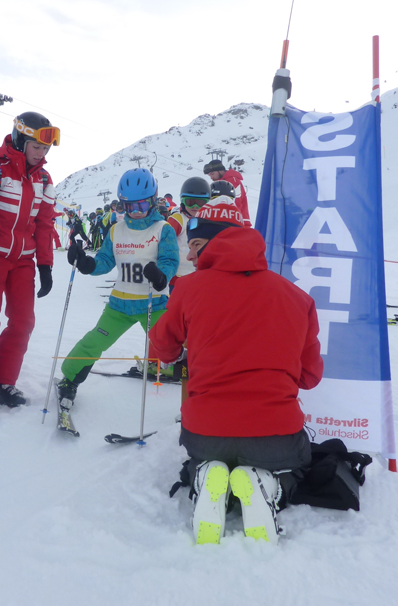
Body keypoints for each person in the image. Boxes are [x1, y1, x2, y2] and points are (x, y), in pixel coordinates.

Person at [149, 197, 324, 545]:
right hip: (275, 436)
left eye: (196, 244)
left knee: (207, 455)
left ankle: (204, 476)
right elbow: (310, 377)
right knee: (301, 460)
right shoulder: (297, 297)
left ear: (218, 241)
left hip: (205, 434)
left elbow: (161, 349)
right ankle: (270, 484)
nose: (189, 256)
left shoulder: (188, 288)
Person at [56, 168, 179, 432]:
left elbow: (170, 260)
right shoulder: (116, 230)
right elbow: (105, 261)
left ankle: (201, 392)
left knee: (174, 347)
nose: (136, 211)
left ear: (154, 200)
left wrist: (162, 277)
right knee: (93, 342)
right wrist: (87, 264)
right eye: (129, 206)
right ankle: (68, 380)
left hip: (154, 304)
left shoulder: (164, 229)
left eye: (142, 205)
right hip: (120, 306)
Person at [0, 111, 59, 409]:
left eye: (45, 148)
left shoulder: (44, 180)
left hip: (23, 263)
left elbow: (44, 225)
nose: (41, 154)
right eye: (36, 147)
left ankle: (6, 380)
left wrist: (45, 265)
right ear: (20, 140)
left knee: (23, 321)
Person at [166, 177, 211, 291]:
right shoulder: (178, 219)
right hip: (177, 279)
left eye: (200, 203)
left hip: (199, 277)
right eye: (190, 202)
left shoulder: (209, 221)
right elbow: (163, 243)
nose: (195, 206)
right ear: (183, 201)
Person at [203, 159, 251, 226]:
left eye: (212, 174)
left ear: (220, 171)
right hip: (227, 221)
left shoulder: (232, 181)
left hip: (237, 223)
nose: (211, 177)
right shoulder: (220, 183)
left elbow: (236, 203)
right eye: (209, 175)